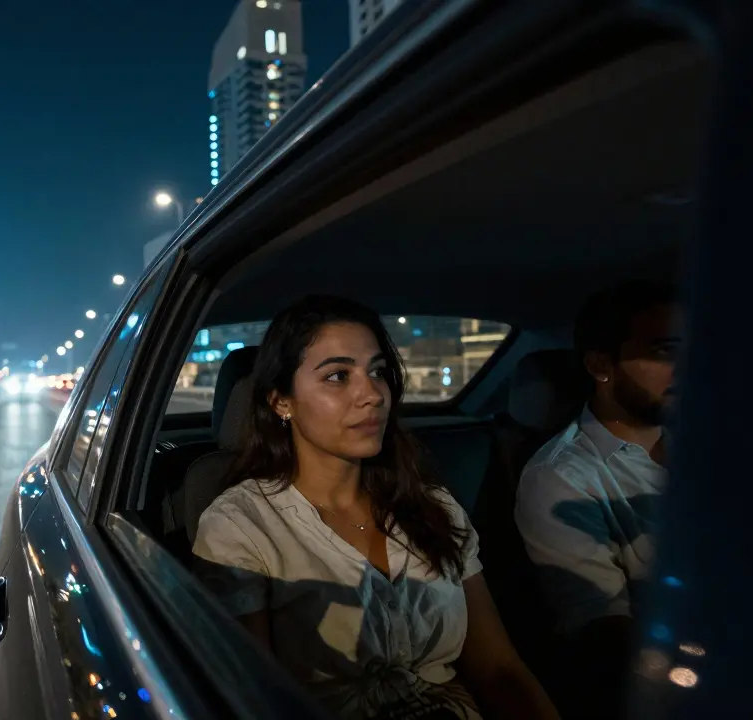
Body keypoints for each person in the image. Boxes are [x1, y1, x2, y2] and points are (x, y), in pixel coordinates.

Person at [193, 295, 557, 720]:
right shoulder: (240, 525)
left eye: (378, 372)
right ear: (282, 402)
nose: (371, 394)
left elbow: (499, 670)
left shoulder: (434, 506)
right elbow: (253, 701)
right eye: (337, 376)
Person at [514, 280, 679, 719]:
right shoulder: (561, 477)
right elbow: (605, 636)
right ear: (600, 365)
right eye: (665, 351)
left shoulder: (718, 437)